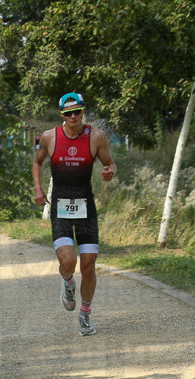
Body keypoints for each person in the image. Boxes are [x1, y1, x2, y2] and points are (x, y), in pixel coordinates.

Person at [32, 92, 117, 336]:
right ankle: (68, 281)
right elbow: (37, 163)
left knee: (89, 264)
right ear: (61, 114)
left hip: (85, 206)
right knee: (68, 261)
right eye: (68, 113)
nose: (73, 117)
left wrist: (110, 172)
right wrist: (38, 189)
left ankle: (85, 315)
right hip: (60, 205)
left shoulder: (96, 137)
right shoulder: (50, 137)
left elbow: (110, 163)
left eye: (77, 112)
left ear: (83, 110)